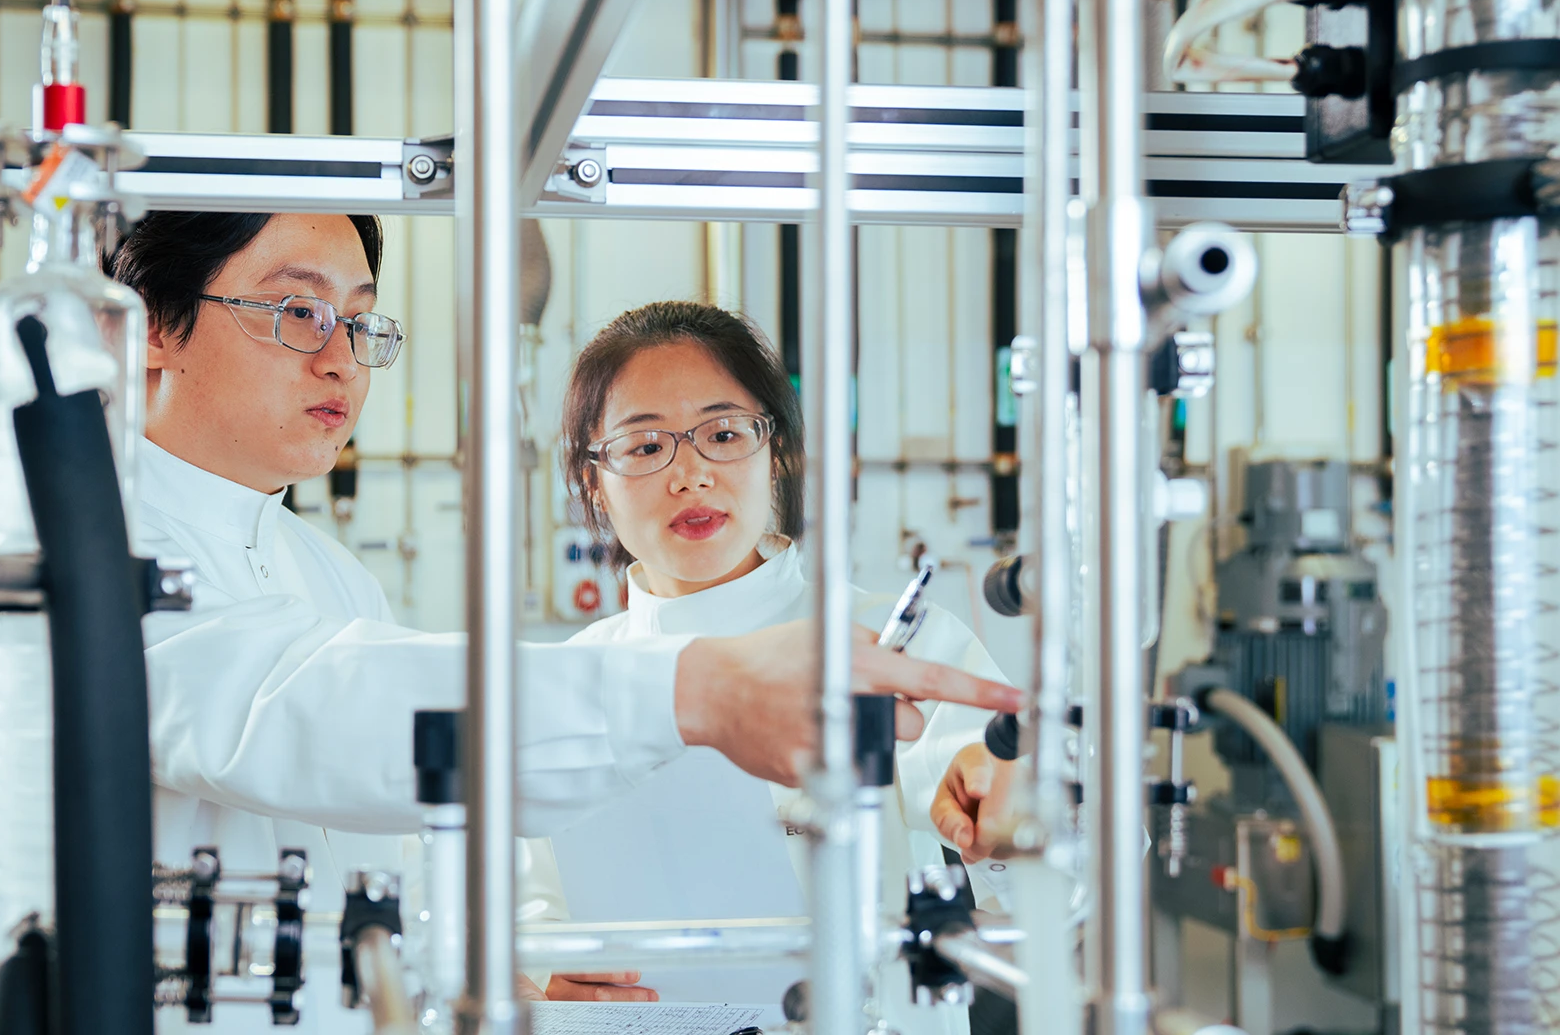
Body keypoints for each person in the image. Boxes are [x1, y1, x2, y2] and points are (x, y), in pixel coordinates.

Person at [58, 213, 1023, 891]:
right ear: (148, 328)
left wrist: (1010, 819)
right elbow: (296, 711)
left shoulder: (330, 576)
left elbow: (414, 859)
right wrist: (700, 692)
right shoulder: (83, 553)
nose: (342, 358)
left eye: (358, 320)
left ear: (778, 446)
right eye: (299, 311)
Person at [530, 300, 1017, 1008]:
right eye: (643, 447)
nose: (690, 475)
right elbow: (523, 905)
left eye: (723, 434)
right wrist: (547, 974)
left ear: (776, 451)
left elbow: (1080, 872)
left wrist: (1007, 819)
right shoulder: (567, 683)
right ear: (591, 483)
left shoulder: (892, 643)